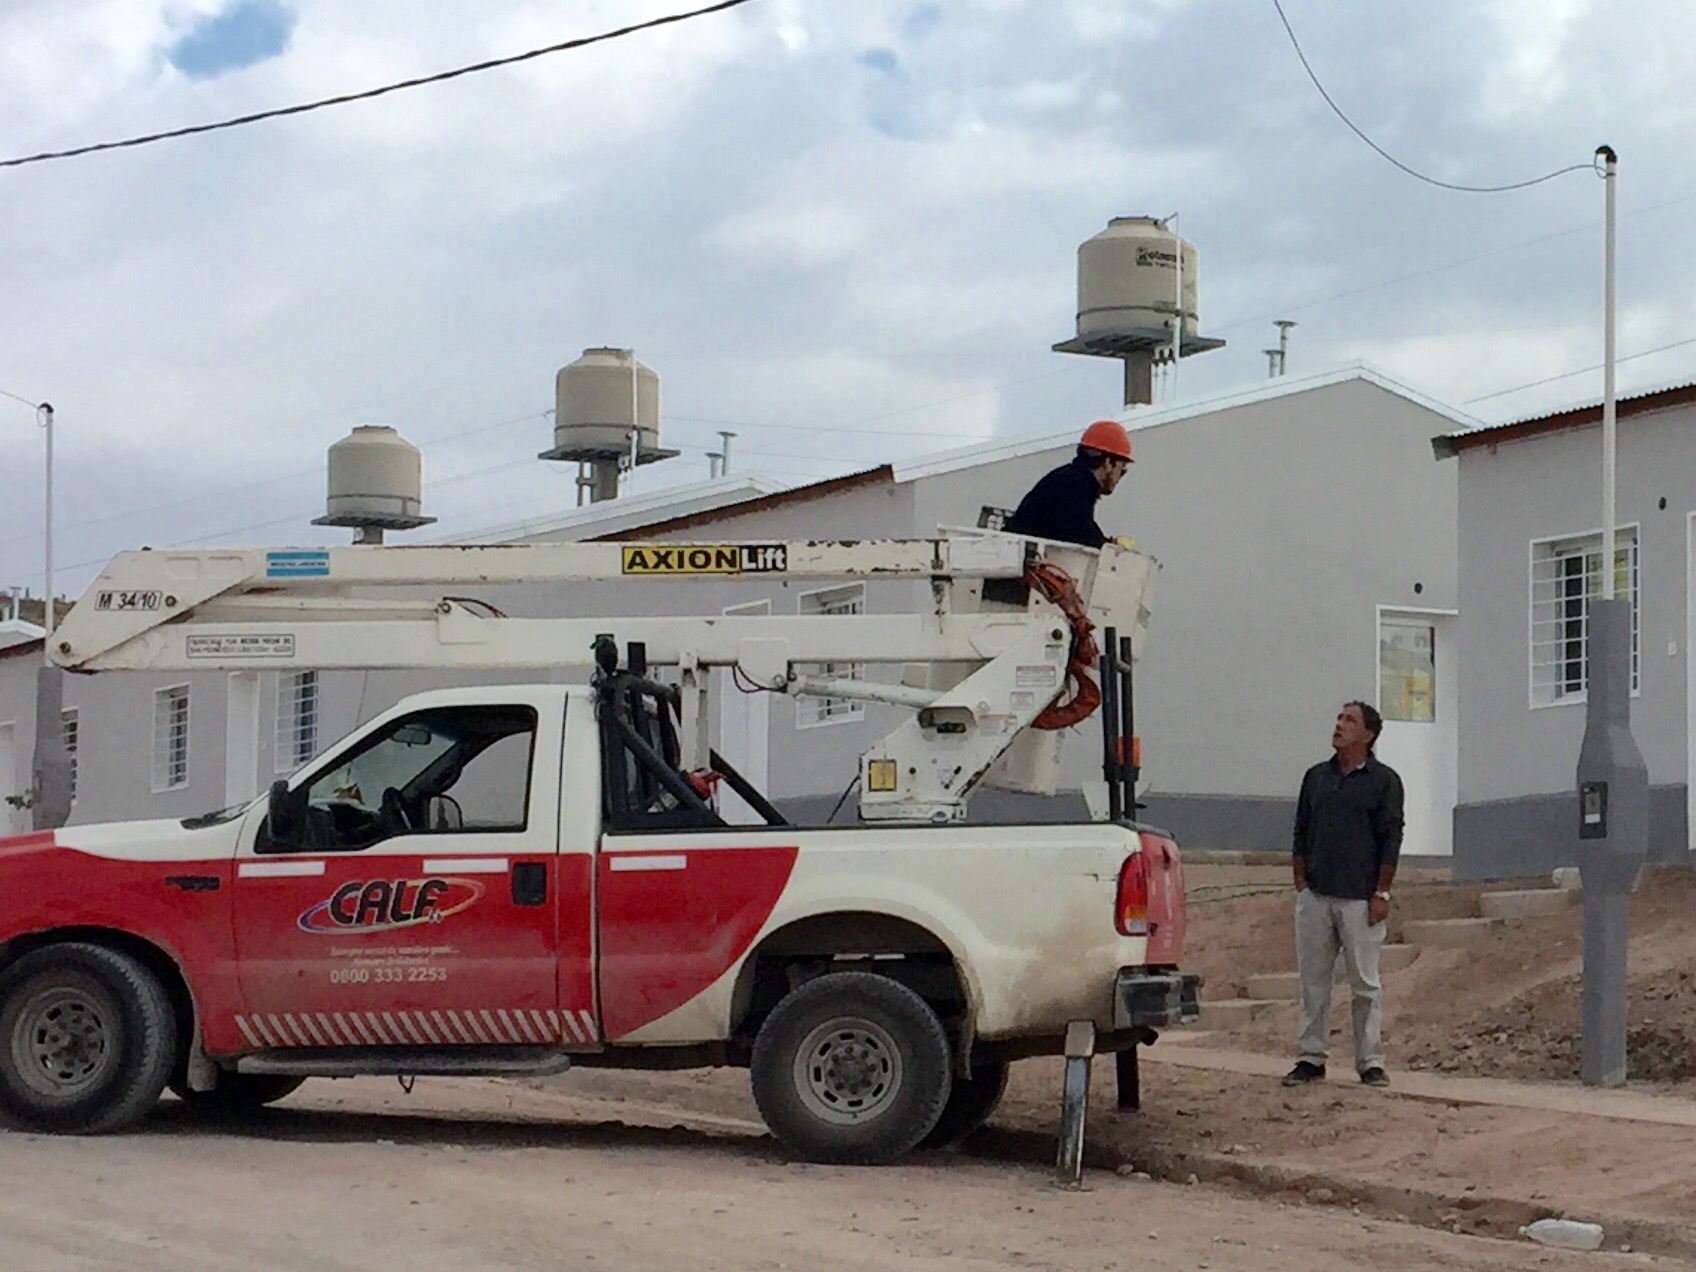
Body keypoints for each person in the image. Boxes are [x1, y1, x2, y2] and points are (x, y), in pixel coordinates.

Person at [1284, 701, 1403, 1089]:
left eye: (1349, 721)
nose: (1339, 725)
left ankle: (1370, 1061)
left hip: (1360, 899)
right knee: (1313, 982)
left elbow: (1391, 838)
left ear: (1367, 735)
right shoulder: (1316, 777)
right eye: (1338, 718)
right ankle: (1310, 1058)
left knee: (1365, 984)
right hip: (1316, 896)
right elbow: (1301, 827)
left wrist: (1381, 892)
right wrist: (1300, 876)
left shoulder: (1384, 782)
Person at [1001, 419, 1134, 548]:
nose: (1120, 478)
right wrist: (1111, 546)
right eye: (1122, 470)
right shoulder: (1075, 485)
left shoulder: (1068, 479)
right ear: (1108, 462)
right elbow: (1083, 535)